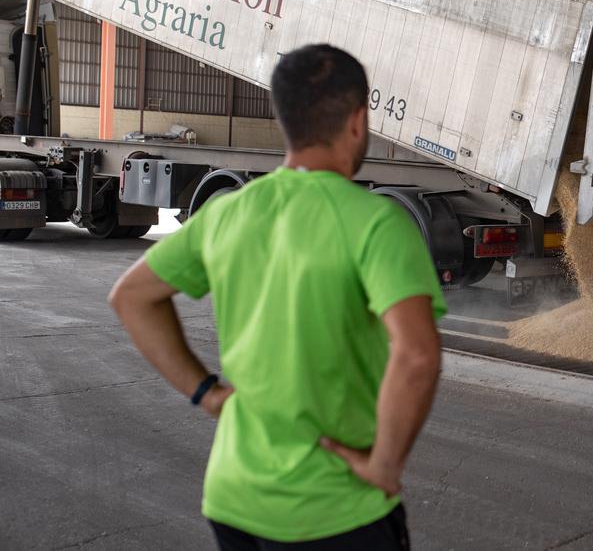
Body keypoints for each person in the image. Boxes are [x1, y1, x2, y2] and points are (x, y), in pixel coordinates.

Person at [109, 44, 445, 549]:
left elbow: (131, 297)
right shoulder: (376, 221)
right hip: (335, 509)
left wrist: (207, 393)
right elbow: (417, 355)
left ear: (284, 119)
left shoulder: (228, 213)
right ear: (357, 121)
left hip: (234, 497)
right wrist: (383, 464)